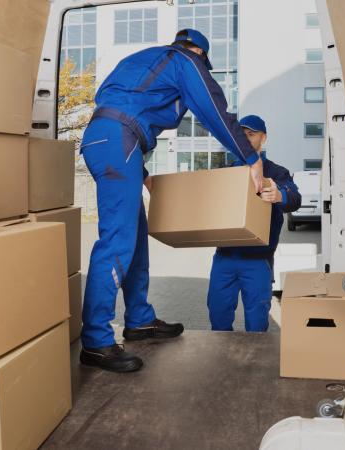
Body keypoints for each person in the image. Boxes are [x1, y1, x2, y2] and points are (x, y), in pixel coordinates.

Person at [79, 29, 265, 373]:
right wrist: (251, 159)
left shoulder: (142, 59)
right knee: (116, 243)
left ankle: (139, 320)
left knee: (134, 237)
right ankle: (95, 340)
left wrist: (141, 169)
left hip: (105, 139)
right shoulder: (186, 61)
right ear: (199, 53)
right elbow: (214, 111)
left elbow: (122, 105)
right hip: (121, 140)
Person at [206, 115, 302, 332]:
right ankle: (221, 363)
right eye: (243, 135)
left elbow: (295, 198)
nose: (247, 139)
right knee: (218, 317)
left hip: (258, 260)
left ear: (264, 138)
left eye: (252, 134)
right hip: (224, 258)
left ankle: (254, 366)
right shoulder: (227, 172)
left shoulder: (276, 172)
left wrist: (279, 195)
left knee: (257, 324)